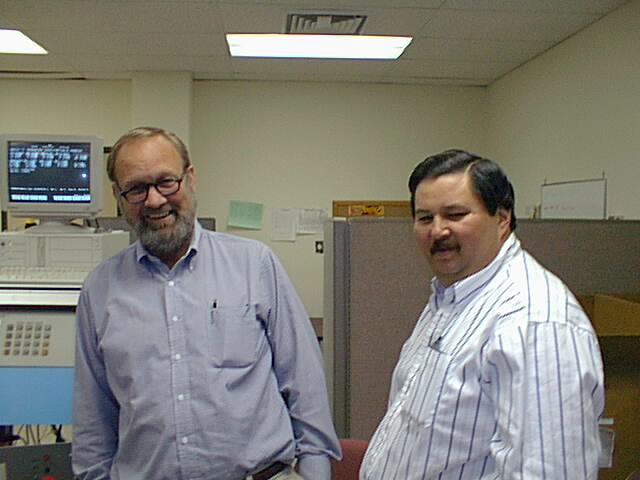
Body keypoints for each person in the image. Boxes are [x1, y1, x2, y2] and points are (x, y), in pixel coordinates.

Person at [72, 127, 340, 480]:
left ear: (191, 178)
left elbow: (305, 385)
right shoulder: (99, 290)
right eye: (136, 188)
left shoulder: (254, 264)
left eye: (166, 182)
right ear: (118, 196)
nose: (154, 200)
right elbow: (93, 421)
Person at [360, 149, 605, 479]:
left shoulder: (533, 322)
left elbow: (549, 471)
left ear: (502, 219)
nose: (438, 231)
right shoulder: (451, 298)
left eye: (455, 214)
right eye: (425, 218)